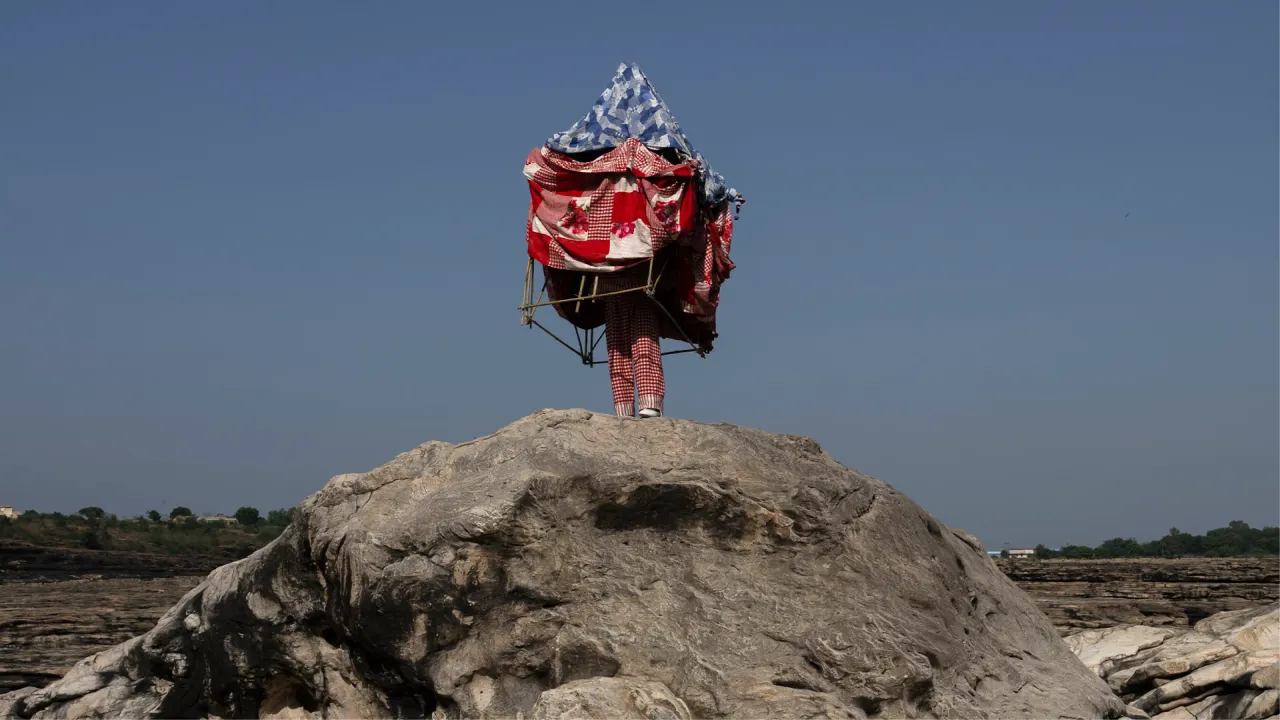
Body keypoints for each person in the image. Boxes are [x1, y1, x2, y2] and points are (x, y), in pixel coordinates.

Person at [603, 290, 663, 418]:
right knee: (617, 351)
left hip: (640, 284)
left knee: (644, 344)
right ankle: (624, 409)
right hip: (610, 288)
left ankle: (650, 402)